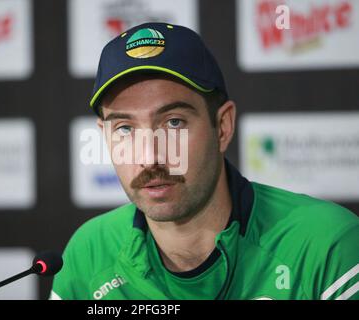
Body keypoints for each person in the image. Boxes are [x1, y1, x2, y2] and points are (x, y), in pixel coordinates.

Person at [50, 22, 358, 300]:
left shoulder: (328, 246)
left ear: (222, 126)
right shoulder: (87, 255)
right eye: (126, 129)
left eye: (173, 123)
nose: (150, 157)